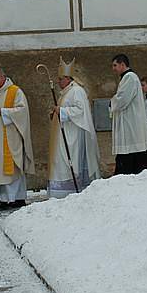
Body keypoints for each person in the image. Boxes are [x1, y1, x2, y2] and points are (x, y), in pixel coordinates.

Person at [0, 66, 35, 208]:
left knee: (13, 167)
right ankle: (0, 198)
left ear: (4, 77)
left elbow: (22, 111)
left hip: (11, 137)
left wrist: (2, 112)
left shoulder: (15, 91)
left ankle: (16, 198)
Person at [48, 58, 101, 198]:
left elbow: (80, 110)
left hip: (72, 134)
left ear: (67, 78)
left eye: (60, 79)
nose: (59, 82)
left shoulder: (76, 91)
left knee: (66, 160)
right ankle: (60, 191)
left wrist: (62, 111)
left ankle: (70, 189)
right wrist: (55, 113)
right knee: (60, 161)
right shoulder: (66, 92)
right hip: (62, 132)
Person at [109, 54, 147, 175]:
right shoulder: (127, 78)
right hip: (129, 124)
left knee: (128, 159)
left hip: (130, 126)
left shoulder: (130, 78)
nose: (113, 69)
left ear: (122, 64)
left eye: (115, 65)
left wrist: (111, 102)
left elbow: (122, 100)